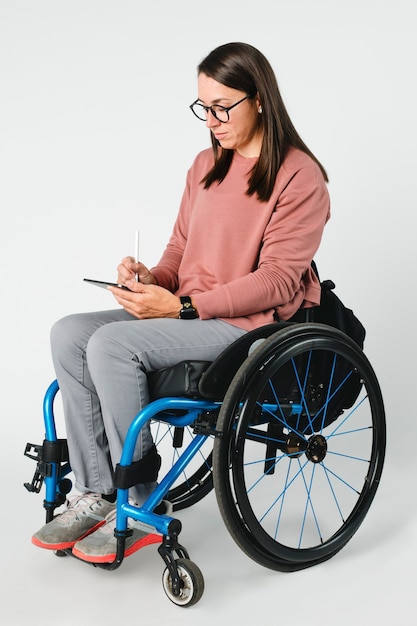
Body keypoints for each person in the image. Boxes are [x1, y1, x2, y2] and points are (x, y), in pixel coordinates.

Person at [32, 41, 330, 563]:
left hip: (247, 326)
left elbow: (280, 281)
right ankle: (100, 491)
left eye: (221, 107)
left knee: (111, 347)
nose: (210, 119)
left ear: (258, 99)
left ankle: (144, 499)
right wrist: (151, 278)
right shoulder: (205, 165)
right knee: (68, 332)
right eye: (203, 108)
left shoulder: (298, 176)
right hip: (189, 310)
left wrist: (184, 308)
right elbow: (179, 253)